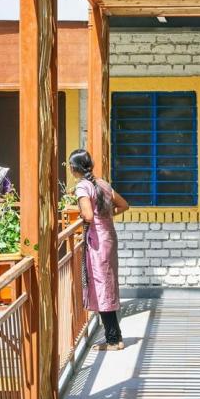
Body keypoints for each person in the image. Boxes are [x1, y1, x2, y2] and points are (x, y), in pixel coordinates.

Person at [71, 148, 130, 350]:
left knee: (101, 285)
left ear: (73, 168)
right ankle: (113, 336)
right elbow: (124, 205)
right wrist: (106, 214)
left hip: (97, 240)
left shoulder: (82, 187)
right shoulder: (102, 184)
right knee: (107, 283)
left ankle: (114, 339)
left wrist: (84, 216)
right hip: (109, 237)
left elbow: (87, 216)